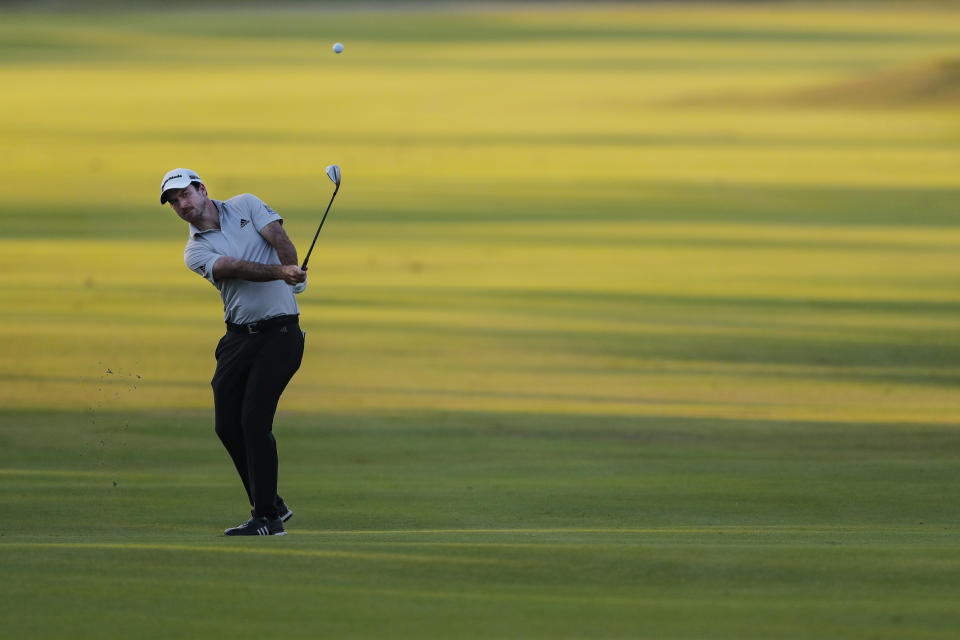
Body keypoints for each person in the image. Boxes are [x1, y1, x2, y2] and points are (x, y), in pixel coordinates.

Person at [159, 168, 307, 536]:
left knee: (255, 423)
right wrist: (280, 272)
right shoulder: (196, 250)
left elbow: (277, 235)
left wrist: (294, 270)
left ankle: (267, 518)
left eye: (185, 194)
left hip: (280, 333)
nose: (182, 204)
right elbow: (233, 268)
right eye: (174, 201)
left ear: (202, 189)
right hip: (238, 339)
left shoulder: (246, 204)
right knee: (227, 425)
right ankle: (271, 502)